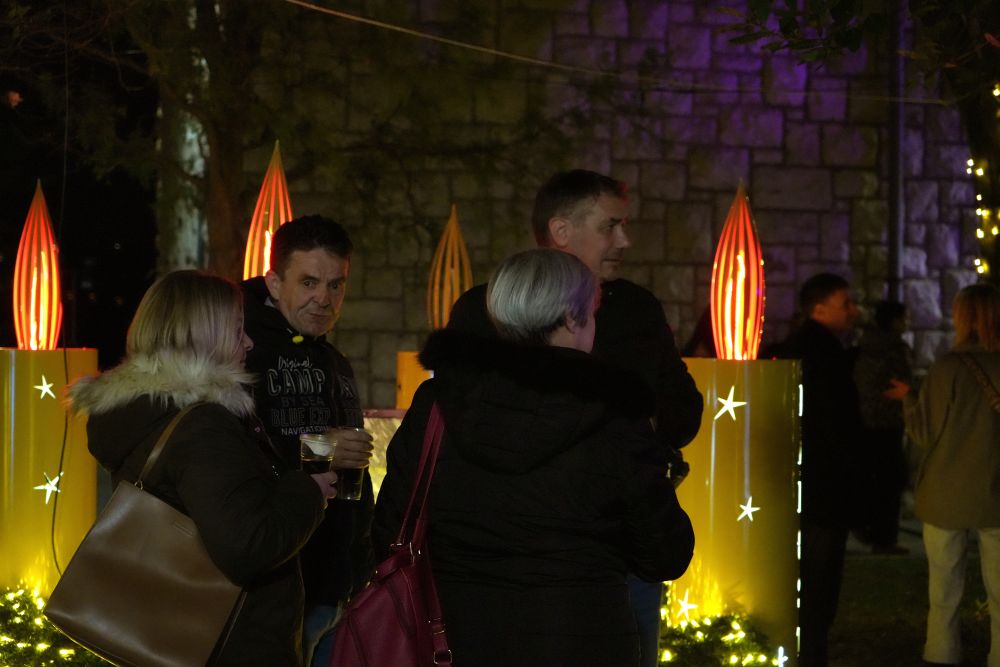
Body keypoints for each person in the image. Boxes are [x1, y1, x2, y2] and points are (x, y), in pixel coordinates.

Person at [373, 248, 694, 665]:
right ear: (572, 318)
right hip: (583, 643)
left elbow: (390, 527)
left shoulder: (439, 403)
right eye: (592, 312)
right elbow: (665, 553)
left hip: (450, 642)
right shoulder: (615, 415)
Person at [447, 169, 703, 664]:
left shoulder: (635, 310)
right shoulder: (483, 311)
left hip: (614, 560)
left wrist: (635, 431)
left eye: (624, 225)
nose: (624, 240)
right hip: (494, 561)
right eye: (610, 226)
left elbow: (683, 413)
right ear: (561, 231)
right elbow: (462, 426)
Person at [68, 270, 335, 665]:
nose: (248, 342)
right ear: (202, 336)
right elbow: (248, 547)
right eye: (236, 329)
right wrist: (308, 490)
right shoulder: (202, 425)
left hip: (170, 636)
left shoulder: (148, 412)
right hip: (225, 646)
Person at [242, 214, 374, 666]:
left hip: (334, 582)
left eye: (336, 285)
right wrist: (322, 447)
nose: (324, 298)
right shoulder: (244, 352)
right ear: (274, 283)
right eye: (309, 282)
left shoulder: (333, 360)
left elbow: (352, 474)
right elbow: (236, 460)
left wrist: (362, 562)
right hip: (272, 585)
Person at [898, 283, 1000, 667]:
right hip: (996, 492)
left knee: (943, 589)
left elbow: (924, 431)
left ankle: (942, 653)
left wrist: (908, 400)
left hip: (947, 492)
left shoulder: (949, 367)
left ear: (962, 317)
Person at [779, 272, 862, 667]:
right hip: (823, 486)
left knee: (807, 579)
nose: (854, 311)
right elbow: (835, 424)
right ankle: (811, 654)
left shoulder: (803, 348)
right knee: (819, 580)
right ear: (820, 309)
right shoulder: (824, 355)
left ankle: (805, 649)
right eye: (846, 303)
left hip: (805, 482)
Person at [852, 300, 913, 555]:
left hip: (863, 420)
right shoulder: (896, 350)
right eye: (904, 318)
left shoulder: (863, 347)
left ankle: (864, 525)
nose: (907, 323)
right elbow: (904, 383)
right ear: (895, 321)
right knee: (890, 482)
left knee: (869, 478)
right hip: (889, 421)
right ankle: (884, 537)